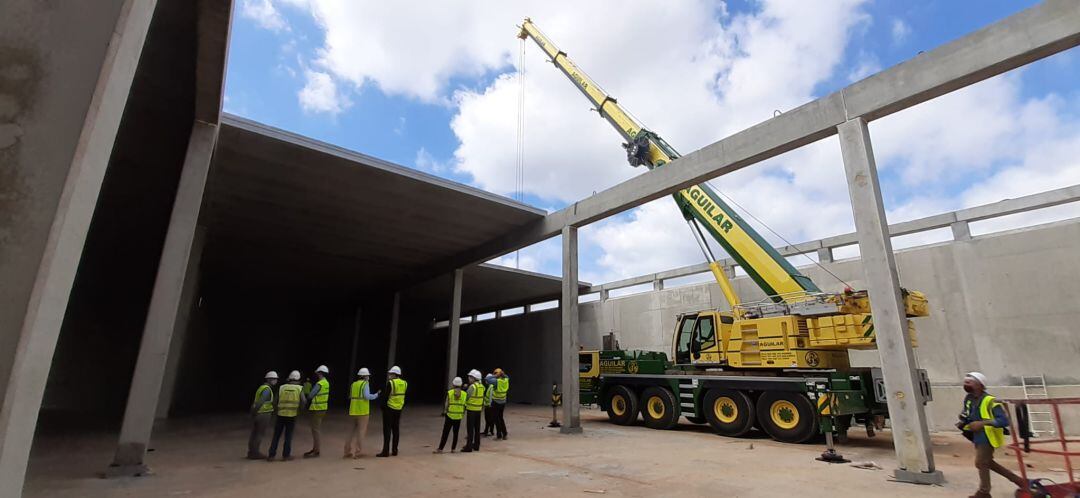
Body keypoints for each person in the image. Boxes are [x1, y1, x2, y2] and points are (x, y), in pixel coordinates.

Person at [959, 371, 1028, 498]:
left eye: (970, 382)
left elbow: (1004, 421)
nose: (966, 384)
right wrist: (963, 421)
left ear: (980, 385)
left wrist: (982, 424)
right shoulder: (969, 399)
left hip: (988, 436)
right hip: (977, 436)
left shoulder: (991, 401)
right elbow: (967, 413)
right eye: (965, 382)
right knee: (987, 462)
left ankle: (984, 492)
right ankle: (1020, 481)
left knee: (981, 462)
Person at [267, 370, 306, 461]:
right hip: (292, 415)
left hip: (280, 415)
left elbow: (274, 401)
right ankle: (286, 455)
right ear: (298, 379)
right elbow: (303, 401)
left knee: (276, 435)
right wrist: (300, 410)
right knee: (288, 436)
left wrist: (276, 410)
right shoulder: (299, 389)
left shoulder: (282, 388)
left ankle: (271, 455)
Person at [345, 367, 379, 458]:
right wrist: (376, 395)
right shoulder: (365, 384)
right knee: (361, 432)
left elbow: (350, 396)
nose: (368, 377)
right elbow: (367, 396)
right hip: (362, 412)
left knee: (350, 432)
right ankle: (357, 452)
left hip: (353, 411)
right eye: (367, 376)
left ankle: (347, 451)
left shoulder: (353, 384)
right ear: (364, 376)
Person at [376, 365, 408, 457]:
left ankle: (385, 451)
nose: (389, 374)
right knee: (396, 430)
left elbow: (386, 396)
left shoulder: (391, 383)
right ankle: (395, 450)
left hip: (389, 409)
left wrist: (382, 407)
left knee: (387, 430)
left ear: (395, 374)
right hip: (399, 409)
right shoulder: (405, 383)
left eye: (391, 373)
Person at [247, 371, 278, 459]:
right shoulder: (267, 390)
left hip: (259, 413)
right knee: (259, 434)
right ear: (268, 379)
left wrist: (253, 412)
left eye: (275, 379)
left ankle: (251, 452)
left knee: (254, 433)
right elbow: (260, 402)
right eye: (273, 379)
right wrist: (255, 411)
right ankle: (255, 453)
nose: (275, 380)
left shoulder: (262, 387)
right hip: (263, 414)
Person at [435, 377, 467, 453]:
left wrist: (445, 412)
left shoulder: (450, 393)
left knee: (445, 433)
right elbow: (465, 405)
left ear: (453, 384)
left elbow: (446, 404)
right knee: (455, 433)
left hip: (450, 416)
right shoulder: (464, 394)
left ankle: (440, 448)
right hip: (458, 416)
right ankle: (453, 449)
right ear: (461, 384)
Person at [304, 365, 330, 458]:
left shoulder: (320, 384)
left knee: (315, 430)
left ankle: (316, 450)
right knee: (316, 429)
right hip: (322, 408)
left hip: (317, 408)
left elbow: (311, 395)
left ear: (319, 373)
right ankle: (315, 449)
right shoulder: (326, 383)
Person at [461, 370, 485, 453]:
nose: (468, 378)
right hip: (478, 410)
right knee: (477, 429)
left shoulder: (472, 387)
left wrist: (464, 389)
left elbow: (466, 397)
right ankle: (476, 445)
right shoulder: (482, 386)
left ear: (474, 378)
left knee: (470, 429)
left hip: (471, 410)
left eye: (470, 377)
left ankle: (469, 446)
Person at [492, 367, 511, 440]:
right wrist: (502, 374)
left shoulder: (497, 381)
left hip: (496, 402)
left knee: (496, 418)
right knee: (500, 418)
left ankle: (499, 434)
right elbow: (506, 376)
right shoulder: (506, 380)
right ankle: (505, 433)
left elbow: (488, 379)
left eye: (495, 374)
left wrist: (494, 376)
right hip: (503, 402)